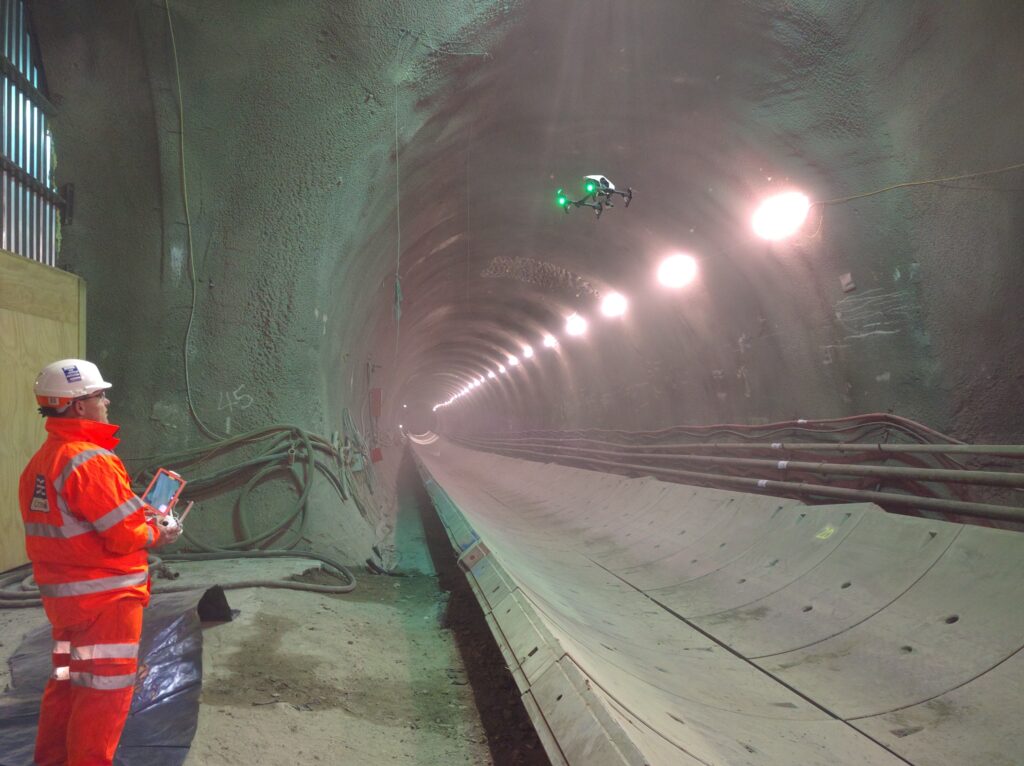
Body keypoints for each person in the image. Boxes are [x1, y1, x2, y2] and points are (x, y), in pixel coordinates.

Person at [18, 358, 181, 766]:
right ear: (77, 406)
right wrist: (160, 531)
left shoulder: (43, 461)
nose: (106, 402)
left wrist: (135, 515)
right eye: (99, 395)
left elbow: (90, 524)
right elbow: (125, 533)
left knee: (67, 686)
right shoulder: (90, 460)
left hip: (68, 608)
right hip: (107, 605)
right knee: (102, 700)